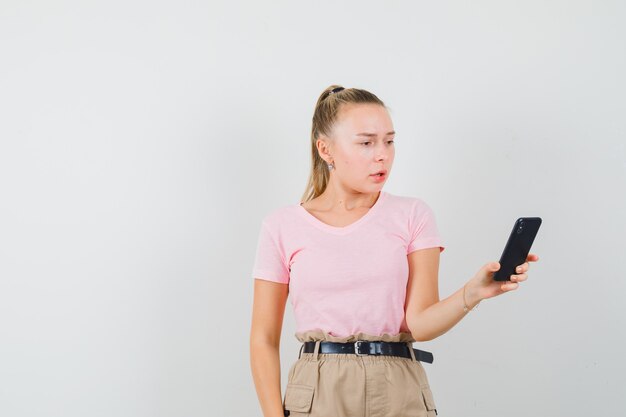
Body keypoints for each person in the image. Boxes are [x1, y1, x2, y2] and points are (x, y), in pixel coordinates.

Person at [249, 85, 539, 417]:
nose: (382, 154)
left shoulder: (413, 215)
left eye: (389, 141)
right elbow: (263, 339)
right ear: (325, 149)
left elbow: (420, 324)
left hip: (398, 385)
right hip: (317, 390)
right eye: (366, 142)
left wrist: (472, 293)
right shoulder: (282, 226)